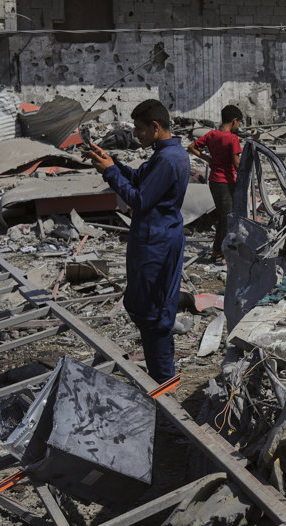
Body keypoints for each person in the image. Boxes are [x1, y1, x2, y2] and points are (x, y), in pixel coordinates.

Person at [86, 99, 190, 385]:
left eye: (140, 130)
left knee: (153, 313)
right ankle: (163, 378)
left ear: (156, 128)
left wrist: (110, 172)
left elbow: (139, 199)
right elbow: (138, 179)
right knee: (152, 310)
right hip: (156, 240)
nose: (136, 136)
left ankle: (163, 382)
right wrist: (112, 163)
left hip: (156, 244)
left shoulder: (169, 159)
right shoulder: (165, 155)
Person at [190, 105, 243, 264]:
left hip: (213, 181)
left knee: (222, 217)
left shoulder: (211, 135)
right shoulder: (232, 138)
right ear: (234, 121)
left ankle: (216, 251)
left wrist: (208, 160)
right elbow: (236, 163)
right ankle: (224, 253)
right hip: (226, 182)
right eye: (238, 122)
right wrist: (246, 169)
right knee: (228, 219)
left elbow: (191, 147)